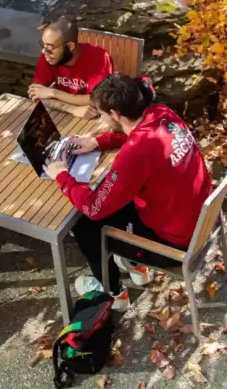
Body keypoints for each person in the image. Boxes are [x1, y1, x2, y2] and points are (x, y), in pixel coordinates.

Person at [44, 74, 212, 310]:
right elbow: (140, 136)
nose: (102, 117)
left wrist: (62, 175)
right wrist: (98, 141)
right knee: (118, 202)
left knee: (83, 224)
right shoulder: (163, 113)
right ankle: (135, 266)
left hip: (174, 244)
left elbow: (94, 207)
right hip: (197, 221)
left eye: (102, 113)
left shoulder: (135, 153)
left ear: (114, 114)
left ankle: (112, 293)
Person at [28, 16, 113, 118]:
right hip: (63, 114)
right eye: (43, 45)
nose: (44, 52)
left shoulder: (100, 58)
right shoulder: (48, 56)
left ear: (70, 46)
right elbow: (36, 94)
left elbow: (99, 100)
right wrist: (72, 109)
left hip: (94, 117)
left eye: (50, 47)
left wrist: (53, 93)